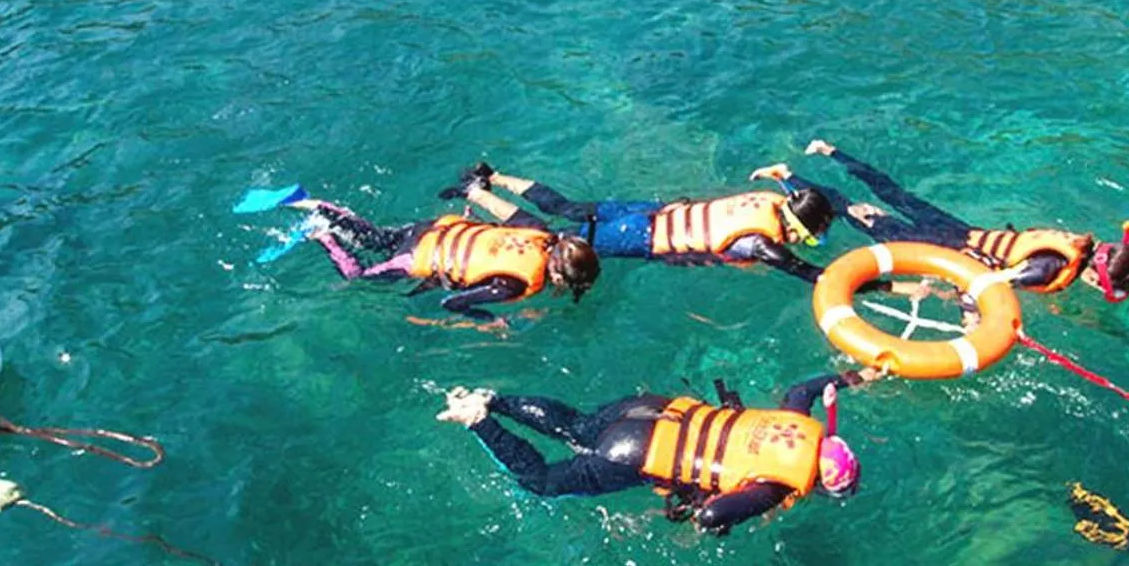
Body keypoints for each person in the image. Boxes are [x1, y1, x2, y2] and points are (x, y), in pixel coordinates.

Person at [436, 367, 878, 534]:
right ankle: (479, 419)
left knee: (574, 426)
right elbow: (710, 516)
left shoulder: (799, 418)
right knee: (542, 483)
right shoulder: (775, 488)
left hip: (652, 408)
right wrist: (714, 518)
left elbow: (806, 386)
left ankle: (494, 399)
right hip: (634, 454)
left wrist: (855, 377)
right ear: (819, 482)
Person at [796, 140, 1129, 301]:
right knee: (866, 219)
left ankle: (831, 151)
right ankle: (798, 185)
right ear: (1096, 278)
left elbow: (1127, 257)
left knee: (896, 195)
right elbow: (986, 281)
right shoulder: (1047, 269)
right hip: (948, 247)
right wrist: (967, 310)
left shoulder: (1092, 248)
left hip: (963, 230)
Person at [440, 163, 838, 283]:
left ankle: (492, 177)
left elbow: (792, 185)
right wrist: (877, 285)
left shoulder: (776, 199)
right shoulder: (762, 244)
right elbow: (814, 275)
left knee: (566, 206)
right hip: (640, 236)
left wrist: (783, 174)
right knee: (548, 239)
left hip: (652, 211)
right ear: (800, 229)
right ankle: (475, 197)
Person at [289, 196, 599, 318]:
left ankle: (316, 205)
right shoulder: (512, 285)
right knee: (357, 279)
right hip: (416, 258)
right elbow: (450, 303)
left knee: (378, 239)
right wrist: (489, 320)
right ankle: (323, 236)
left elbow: (507, 215)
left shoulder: (539, 231)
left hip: (432, 229)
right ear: (558, 275)